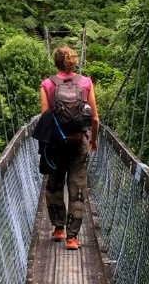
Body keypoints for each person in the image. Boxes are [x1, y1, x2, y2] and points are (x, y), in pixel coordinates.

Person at [39, 46, 99, 251]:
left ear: (55, 62)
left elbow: (45, 118)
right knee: (78, 188)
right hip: (79, 142)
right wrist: (93, 140)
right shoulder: (85, 82)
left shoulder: (47, 84)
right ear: (73, 62)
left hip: (56, 142)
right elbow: (95, 118)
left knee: (54, 184)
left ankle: (58, 229)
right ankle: (72, 238)